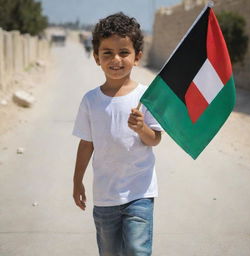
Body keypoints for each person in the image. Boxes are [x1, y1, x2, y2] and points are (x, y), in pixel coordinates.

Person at [72, 12, 163, 256]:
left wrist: (141, 127)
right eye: (107, 53)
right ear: (96, 58)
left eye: (124, 52)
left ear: (137, 58)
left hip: (140, 193)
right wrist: (77, 180)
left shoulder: (146, 97)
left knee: (136, 250)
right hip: (105, 197)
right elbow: (86, 143)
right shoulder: (91, 100)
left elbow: (154, 139)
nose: (116, 59)